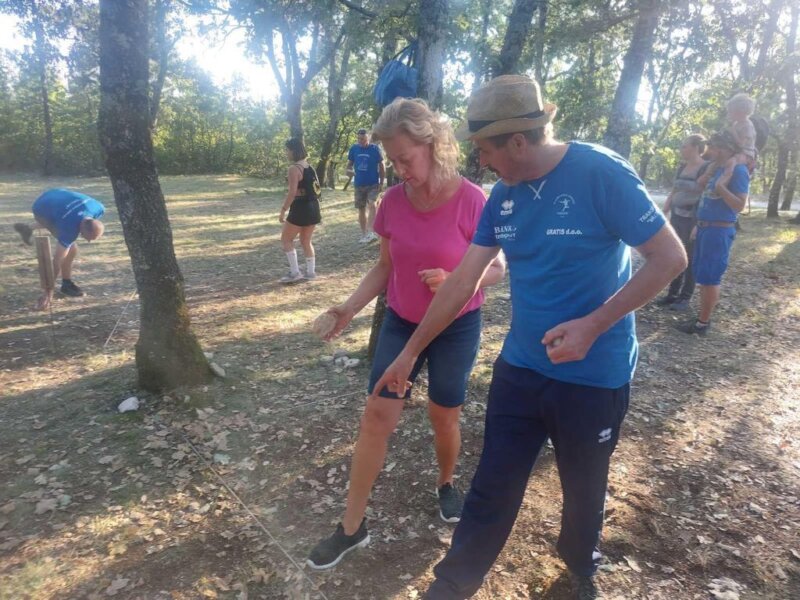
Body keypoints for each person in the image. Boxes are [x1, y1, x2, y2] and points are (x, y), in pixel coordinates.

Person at [372, 75, 687, 600]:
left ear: (518, 142)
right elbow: (462, 283)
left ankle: (580, 566)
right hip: (520, 369)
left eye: (485, 149)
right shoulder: (503, 197)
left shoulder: (600, 173)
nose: (479, 161)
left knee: (583, 488)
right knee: (492, 482)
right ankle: (452, 584)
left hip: (594, 375)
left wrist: (593, 324)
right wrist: (409, 352)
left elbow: (670, 257)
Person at [306, 98, 506, 571]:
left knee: (444, 415)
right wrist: (348, 309)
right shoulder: (393, 202)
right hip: (401, 322)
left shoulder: (472, 199)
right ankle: (351, 527)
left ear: (432, 145)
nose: (399, 171)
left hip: (457, 326)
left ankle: (446, 483)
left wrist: (458, 279)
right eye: (392, 161)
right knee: (377, 415)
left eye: (405, 159)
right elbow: (384, 267)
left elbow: (498, 269)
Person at [679, 130, 749, 336]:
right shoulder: (719, 168)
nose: (708, 151)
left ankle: (703, 324)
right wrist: (699, 224)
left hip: (719, 230)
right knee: (703, 275)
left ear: (724, 148)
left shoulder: (739, 172)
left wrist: (721, 187)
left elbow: (739, 205)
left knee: (710, 278)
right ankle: (702, 316)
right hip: (705, 228)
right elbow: (704, 193)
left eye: (713, 147)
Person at [14, 188, 105, 310]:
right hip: (41, 206)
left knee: (64, 231)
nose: (87, 241)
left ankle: (27, 228)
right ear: (82, 227)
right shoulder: (69, 228)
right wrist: (48, 292)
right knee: (71, 250)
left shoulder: (98, 208)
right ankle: (66, 285)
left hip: (55, 193)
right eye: (86, 237)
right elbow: (57, 261)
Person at [656, 134, 710, 310]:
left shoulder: (706, 168)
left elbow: (705, 196)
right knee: (677, 254)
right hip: (677, 216)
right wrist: (665, 210)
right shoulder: (682, 167)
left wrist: (698, 223)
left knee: (690, 257)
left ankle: (685, 298)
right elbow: (675, 190)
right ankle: (672, 294)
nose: (681, 149)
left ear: (695, 147)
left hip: (692, 219)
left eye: (684, 146)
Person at [279, 138, 321, 284]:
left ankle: (295, 272)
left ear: (293, 150)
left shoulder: (293, 169)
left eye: (287, 150)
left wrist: (283, 210)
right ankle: (311, 272)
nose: (286, 153)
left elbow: (292, 193)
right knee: (306, 241)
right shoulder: (310, 167)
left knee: (286, 239)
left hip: (300, 207)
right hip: (313, 206)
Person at [347, 128, 386, 243]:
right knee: (361, 209)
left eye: (363, 139)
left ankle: (371, 231)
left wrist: (381, 182)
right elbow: (349, 165)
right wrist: (348, 171)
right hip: (359, 183)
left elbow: (382, 166)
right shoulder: (354, 149)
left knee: (372, 204)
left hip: (373, 183)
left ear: (368, 138)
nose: (361, 141)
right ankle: (364, 233)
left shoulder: (375, 149)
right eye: (359, 139)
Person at [723, 93, 757, 176]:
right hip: (736, 151)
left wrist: (733, 132)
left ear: (741, 112)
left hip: (746, 154)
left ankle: (724, 180)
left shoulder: (747, 126)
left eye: (731, 112)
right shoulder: (736, 123)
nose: (729, 114)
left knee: (730, 163)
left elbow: (741, 144)